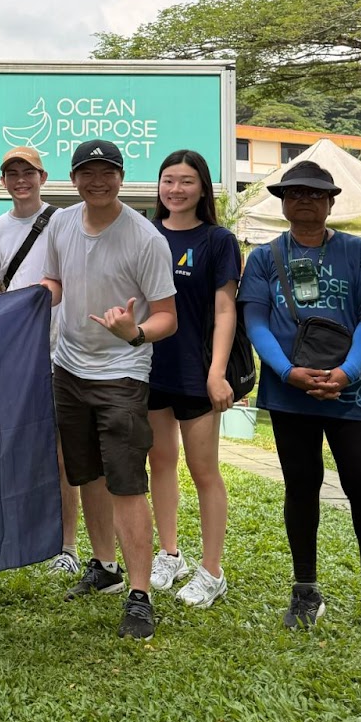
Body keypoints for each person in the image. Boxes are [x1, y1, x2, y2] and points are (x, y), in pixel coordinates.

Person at [238, 160, 361, 634]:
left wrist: (347, 372)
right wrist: (288, 371)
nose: (306, 200)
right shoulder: (264, 257)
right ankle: (304, 589)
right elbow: (255, 321)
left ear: (332, 202)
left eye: (316, 194)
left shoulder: (357, 252)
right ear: (283, 202)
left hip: (350, 393)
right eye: (295, 193)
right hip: (290, 393)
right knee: (302, 488)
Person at [40, 140, 177, 640]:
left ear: (121, 177)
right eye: (87, 173)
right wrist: (38, 296)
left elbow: (167, 316)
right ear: (73, 179)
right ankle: (104, 566)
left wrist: (134, 331)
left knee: (125, 482)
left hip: (121, 372)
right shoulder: (60, 223)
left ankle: (140, 595)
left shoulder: (145, 238)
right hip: (68, 369)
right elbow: (56, 280)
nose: (97, 181)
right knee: (86, 475)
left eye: (107, 172)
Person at [146, 149, 241, 610]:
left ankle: (212, 570)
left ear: (202, 188)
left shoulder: (218, 240)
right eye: (168, 180)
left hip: (197, 371)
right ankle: (169, 555)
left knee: (204, 471)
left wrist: (217, 372)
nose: (175, 189)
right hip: (148, 369)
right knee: (159, 462)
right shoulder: (145, 233)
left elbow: (225, 309)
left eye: (186, 181)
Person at [0, 147, 79, 577]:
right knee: (17, 449)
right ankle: (21, 534)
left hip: (67, 352)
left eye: (28, 172)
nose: (20, 179)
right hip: (19, 357)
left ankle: (69, 544)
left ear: (43, 176)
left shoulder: (63, 221)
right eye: (12, 173)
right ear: (3, 181)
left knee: (64, 454)